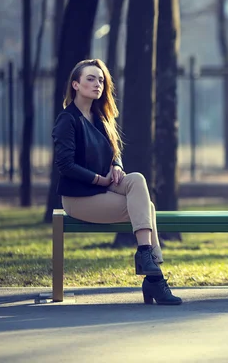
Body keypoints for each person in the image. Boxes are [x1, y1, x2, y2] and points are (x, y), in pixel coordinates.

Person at [52, 58, 182, 305]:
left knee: (136, 179)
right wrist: (100, 180)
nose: (97, 84)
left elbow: (115, 151)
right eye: (90, 79)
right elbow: (65, 166)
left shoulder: (100, 117)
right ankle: (154, 278)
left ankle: (146, 258)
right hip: (79, 197)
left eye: (101, 80)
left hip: (105, 184)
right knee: (147, 209)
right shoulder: (67, 120)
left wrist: (117, 165)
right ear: (75, 85)